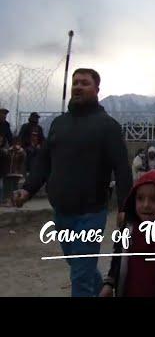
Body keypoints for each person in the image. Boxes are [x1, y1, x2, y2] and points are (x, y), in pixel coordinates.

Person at [14, 68, 133, 297]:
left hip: (91, 212)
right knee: (80, 266)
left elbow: (121, 168)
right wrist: (27, 190)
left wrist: (124, 206)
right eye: (75, 82)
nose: (78, 86)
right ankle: (102, 292)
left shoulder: (108, 126)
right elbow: (43, 162)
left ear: (97, 89)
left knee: (80, 273)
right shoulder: (59, 124)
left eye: (85, 83)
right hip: (61, 212)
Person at [99, 169, 155, 297]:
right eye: (140, 198)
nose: (146, 205)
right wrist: (109, 284)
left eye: (154, 199)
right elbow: (117, 260)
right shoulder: (127, 230)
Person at [4, 137, 26, 205]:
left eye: (17, 143)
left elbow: (23, 161)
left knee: (15, 187)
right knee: (9, 187)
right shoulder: (9, 151)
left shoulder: (22, 152)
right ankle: (9, 201)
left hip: (17, 172)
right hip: (9, 172)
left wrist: (19, 151)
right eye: (14, 143)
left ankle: (15, 201)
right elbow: (6, 160)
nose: (16, 145)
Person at [0, 135, 9, 206]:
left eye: (1, 141)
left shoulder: (4, 151)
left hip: (1, 171)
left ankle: (1, 200)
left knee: (1, 186)